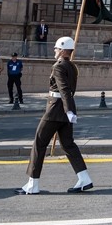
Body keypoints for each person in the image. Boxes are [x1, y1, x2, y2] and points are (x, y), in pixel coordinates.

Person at [16, 36, 93, 195]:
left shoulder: (58, 67)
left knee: (39, 143)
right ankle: (84, 177)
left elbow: (64, 89)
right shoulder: (72, 66)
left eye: (57, 48)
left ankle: (32, 184)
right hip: (64, 111)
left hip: (55, 110)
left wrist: (69, 110)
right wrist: (69, 110)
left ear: (64, 50)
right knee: (68, 144)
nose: (54, 50)